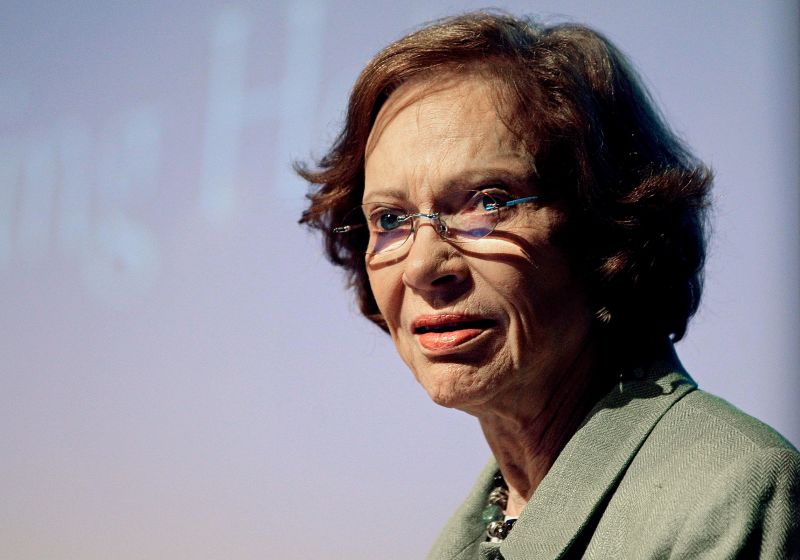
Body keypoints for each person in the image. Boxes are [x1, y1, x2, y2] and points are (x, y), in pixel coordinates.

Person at [297, 12, 800, 559]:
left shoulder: (732, 495)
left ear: (606, 225)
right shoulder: (467, 538)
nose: (421, 267)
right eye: (390, 219)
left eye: (487, 201)